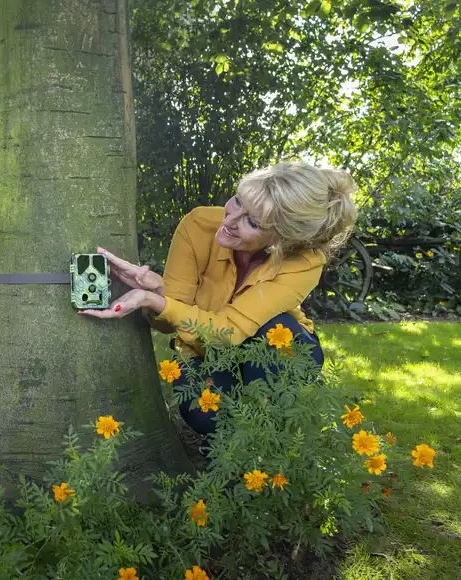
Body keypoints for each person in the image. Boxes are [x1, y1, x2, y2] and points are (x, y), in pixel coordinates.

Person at [81, 161, 358, 435]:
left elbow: (228, 330)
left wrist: (159, 302)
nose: (229, 221)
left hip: (274, 348)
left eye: (251, 222)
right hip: (206, 351)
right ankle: (235, 438)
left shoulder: (305, 261)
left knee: (275, 331)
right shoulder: (198, 225)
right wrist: (157, 293)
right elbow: (168, 323)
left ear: (282, 239)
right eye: (237, 201)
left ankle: (262, 445)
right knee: (206, 417)